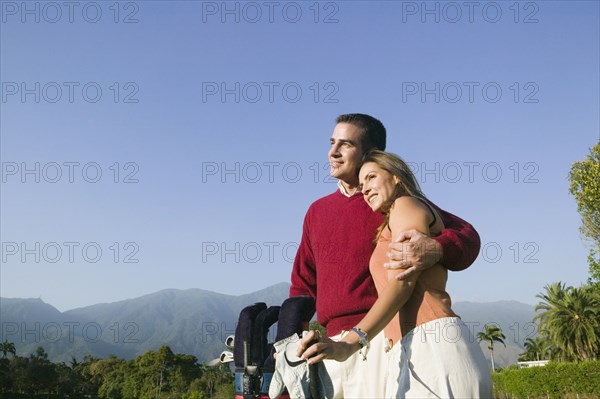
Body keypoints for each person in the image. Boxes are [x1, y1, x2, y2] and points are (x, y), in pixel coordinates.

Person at [290, 114, 481, 398]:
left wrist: (438, 248)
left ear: (371, 154)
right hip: (330, 344)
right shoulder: (316, 211)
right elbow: (303, 284)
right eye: (332, 143)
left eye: (345, 144)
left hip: (379, 339)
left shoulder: (394, 202)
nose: (333, 152)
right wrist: (293, 341)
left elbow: (467, 236)